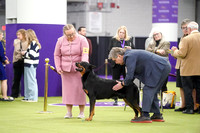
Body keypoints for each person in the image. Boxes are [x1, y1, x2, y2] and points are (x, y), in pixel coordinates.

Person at [108, 47, 171, 123]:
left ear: (119, 56)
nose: (116, 63)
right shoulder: (130, 54)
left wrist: (122, 84)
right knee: (152, 91)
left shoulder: (129, 56)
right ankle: (157, 115)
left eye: (115, 60)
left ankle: (145, 115)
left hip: (160, 67)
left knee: (148, 89)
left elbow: (130, 74)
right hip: (162, 66)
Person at [54, 24, 89, 119]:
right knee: (67, 91)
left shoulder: (82, 40)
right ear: (64, 34)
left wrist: (83, 66)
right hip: (66, 70)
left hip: (79, 70)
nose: (71, 36)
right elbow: (56, 55)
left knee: (80, 90)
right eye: (68, 35)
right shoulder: (60, 40)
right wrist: (58, 67)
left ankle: (81, 112)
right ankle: (68, 112)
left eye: (73, 34)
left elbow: (85, 54)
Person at [171, 21, 200, 114]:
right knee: (198, 89)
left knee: (187, 89)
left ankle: (189, 108)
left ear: (190, 29)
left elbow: (182, 54)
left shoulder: (186, 39)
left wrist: (174, 51)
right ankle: (198, 108)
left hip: (188, 69)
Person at [108, 25, 134, 105]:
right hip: (116, 63)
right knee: (115, 80)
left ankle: (128, 97)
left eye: (123, 33)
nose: (121, 34)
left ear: (125, 33)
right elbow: (110, 50)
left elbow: (133, 50)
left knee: (127, 79)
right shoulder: (113, 40)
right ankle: (115, 98)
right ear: (118, 32)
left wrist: (129, 48)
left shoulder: (129, 40)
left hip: (125, 63)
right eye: (120, 32)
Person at [21, 29, 41, 102]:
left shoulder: (33, 43)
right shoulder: (31, 43)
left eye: (26, 34)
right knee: (27, 81)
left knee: (31, 81)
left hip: (31, 64)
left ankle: (32, 97)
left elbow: (31, 55)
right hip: (28, 64)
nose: (25, 36)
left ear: (29, 35)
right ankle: (28, 97)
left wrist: (24, 53)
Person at [10, 29, 28, 99]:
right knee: (16, 79)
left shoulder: (28, 42)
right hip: (17, 62)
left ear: (23, 34)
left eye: (19, 34)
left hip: (25, 62)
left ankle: (27, 95)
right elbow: (14, 53)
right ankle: (14, 94)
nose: (18, 36)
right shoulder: (16, 42)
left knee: (27, 79)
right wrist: (14, 61)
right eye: (17, 35)